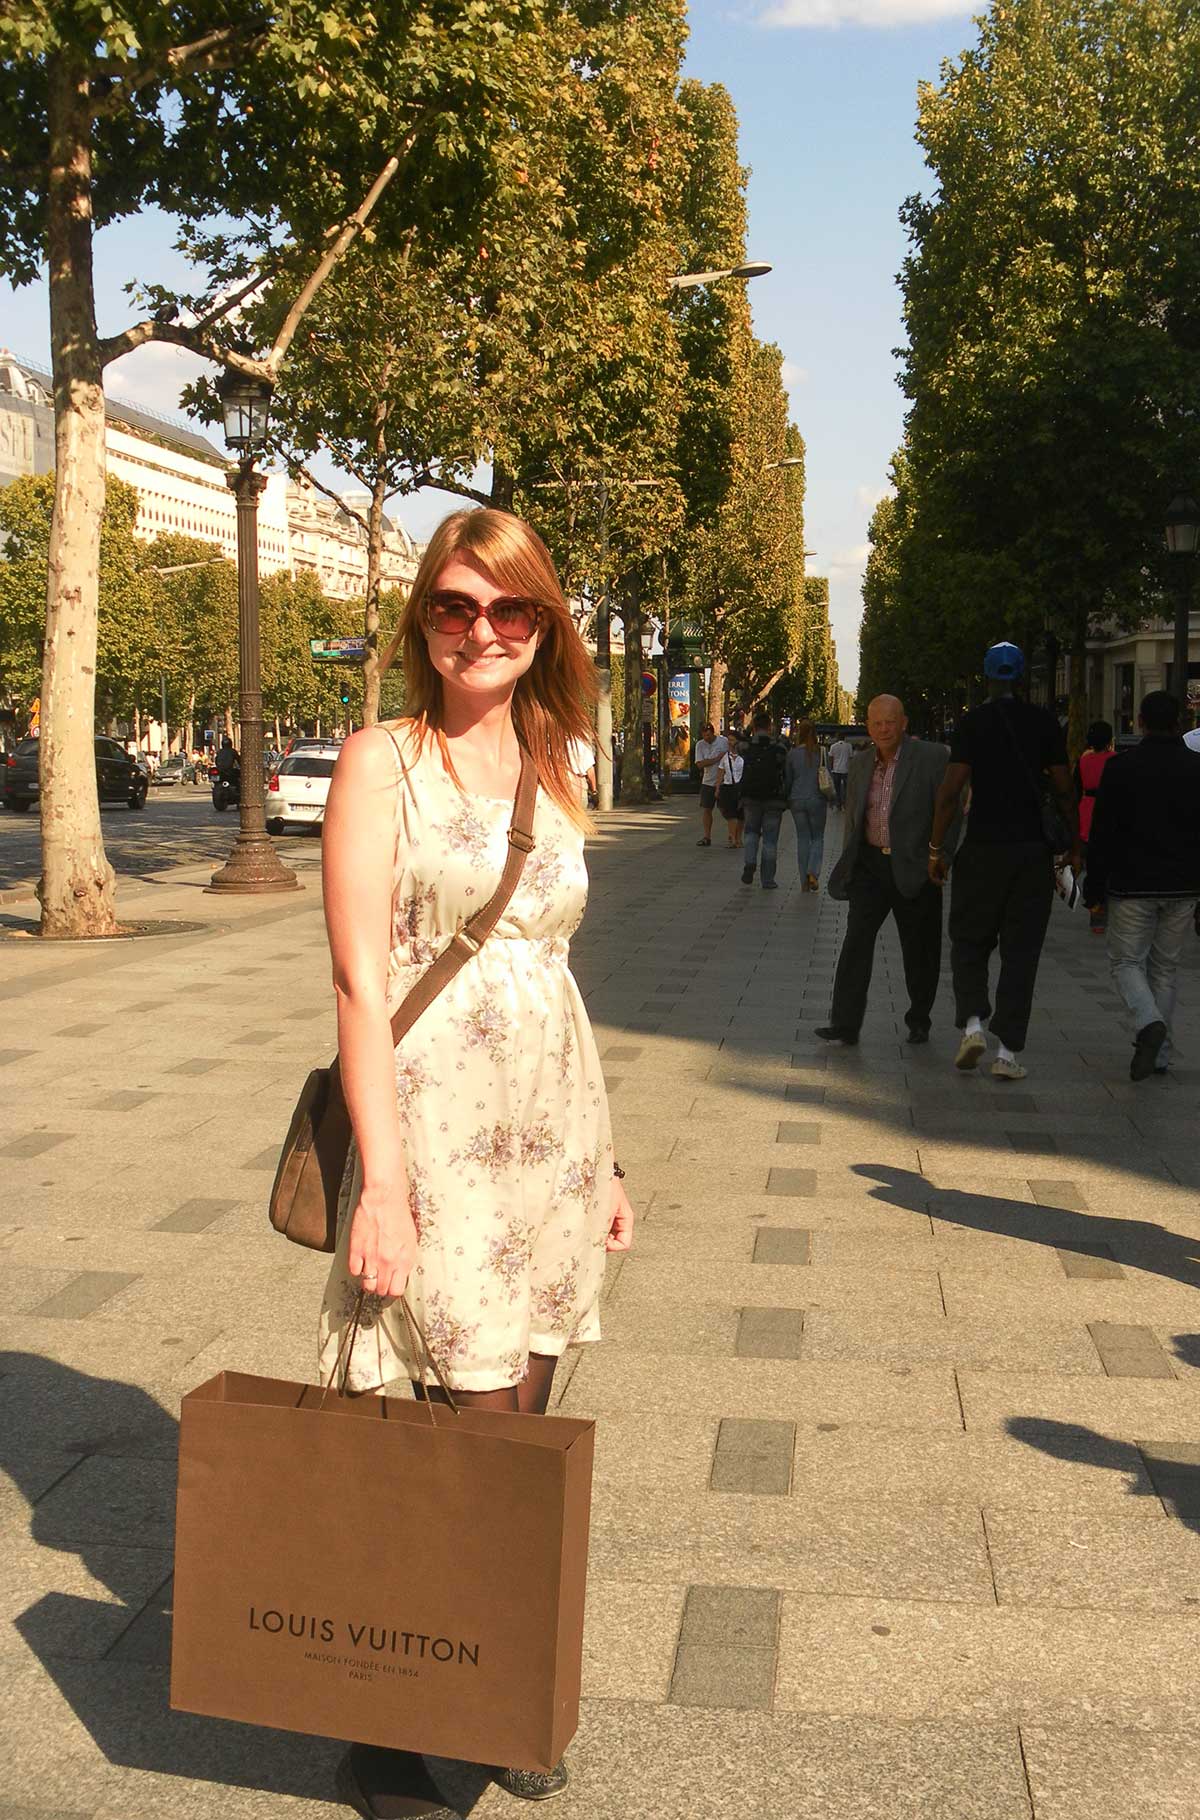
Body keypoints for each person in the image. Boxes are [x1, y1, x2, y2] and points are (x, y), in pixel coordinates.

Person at [316, 507, 635, 1818]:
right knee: (462, 1438)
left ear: (543, 627)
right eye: (456, 607)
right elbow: (354, 986)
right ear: (422, 623)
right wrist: (379, 1188)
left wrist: (606, 1165)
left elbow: (555, 966)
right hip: (434, 1148)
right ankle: (410, 1730)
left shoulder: (563, 763)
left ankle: (482, 1680)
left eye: (511, 612)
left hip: (552, 1149)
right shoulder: (377, 764)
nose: (482, 633)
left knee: (520, 1435)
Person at [928, 641, 1077, 1081]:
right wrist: (1074, 844)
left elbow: (950, 793)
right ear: (1023, 676)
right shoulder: (1045, 723)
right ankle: (1008, 1054)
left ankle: (973, 1025)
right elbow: (1066, 789)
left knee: (969, 941)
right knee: (1021, 952)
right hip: (1031, 854)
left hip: (981, 850)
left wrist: (938, 849)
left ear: (988, 677)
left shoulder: (972, 723)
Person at [816, 694, 956, 1045]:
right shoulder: (862, 762)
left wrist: (941, 855)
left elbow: (951, 808)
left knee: (920, 948)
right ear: (868, 725)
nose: (884, 728)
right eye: (877, 722)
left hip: (915, 864)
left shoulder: (933, 757)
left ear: (904, 722)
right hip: (870, 866)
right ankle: (845, 1023)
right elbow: (854, 813)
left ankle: (919, 1018)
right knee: (855, 943)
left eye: (890, 721)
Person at [1084, 690, 1200, 1080]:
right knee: (1165, 967)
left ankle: (1149, 1022)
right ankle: (1161, 1054)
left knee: (1126, 961)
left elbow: (1102, 832)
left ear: (1140, 722)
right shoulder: (1196, 768)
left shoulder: (1122, 767)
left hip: (1132, 882)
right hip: (1184, 884)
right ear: (1180, 722)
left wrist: (1094, 886)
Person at [739, 709, 790, 890]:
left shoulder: (747, 746)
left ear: (754, 726)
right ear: (770, 726)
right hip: (774, 798)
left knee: (751, 832)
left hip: (751, 797)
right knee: (770, 840)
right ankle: (768, 879)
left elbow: (739, 744)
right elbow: (785, 770)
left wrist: (747, 730)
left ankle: (750, 862)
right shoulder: (779, 747)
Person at [1074, 719, 1115, 933]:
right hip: (1110, 813)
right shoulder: (1116, 760)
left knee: (1093, 867)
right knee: (1109, 868)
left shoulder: (1083, 761)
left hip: (1086, 813)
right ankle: (1107, 910)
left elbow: (1075, 789)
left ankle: (1096, 913)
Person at [786, 719, 828, 891]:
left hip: (796, 799)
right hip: (817, 798)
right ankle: (813, 872)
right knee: (817, 837)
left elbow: (788, 778)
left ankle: (803, 881)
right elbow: (827, 775)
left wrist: (787, 798)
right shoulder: (821, 752)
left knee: (802, 838)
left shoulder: (792, 753)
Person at [694, 721, 729, 846]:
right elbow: (699, 764)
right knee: (707, 809)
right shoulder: (700, 745)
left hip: (725, 781)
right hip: (708, 781)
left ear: (713, 733)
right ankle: (707, 836)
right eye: (704, 735)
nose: (706, 738)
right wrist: (716, 759)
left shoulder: (723, 741)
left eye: (709, 735)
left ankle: (734, 834)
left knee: (726, 809)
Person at [716, 735, 744, 847]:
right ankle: (732, 837)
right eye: (729, 740)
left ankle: (738, 838)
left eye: (732, 740)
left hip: (741, 787)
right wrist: (717, 787)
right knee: (731, 814)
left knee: (741, 815)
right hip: (728, 787)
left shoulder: (744, 757)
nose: (729, 742)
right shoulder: (725, 757)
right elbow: (720, 772)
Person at [566, 731, 597, 810]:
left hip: (562, 780)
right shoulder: (583, 745)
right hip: (577, 781)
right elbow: (590, 770)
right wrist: (594, 790)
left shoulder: (558, 744)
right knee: (578, 811)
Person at [827, 731, 852, 808]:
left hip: (836, 770)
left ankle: (838, 803)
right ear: (844, 738)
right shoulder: (849, 746)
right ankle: (845, 803)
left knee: (837, 788)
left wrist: (831, 768)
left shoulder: (833, 746)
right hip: (846, 770)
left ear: (837, 738)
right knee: (846, 788)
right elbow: (851, 757)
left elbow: (831, 758)